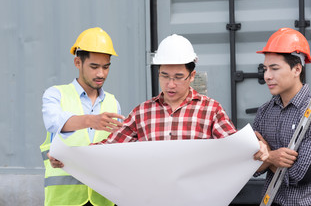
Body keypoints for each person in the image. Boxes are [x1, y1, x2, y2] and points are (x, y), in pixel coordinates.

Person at [49, 33, 268, 165]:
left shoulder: (210, 110)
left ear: (192, 76)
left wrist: (256, 148)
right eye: (164, 76)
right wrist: (69, 158)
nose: (170, 84)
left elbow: (234, 147)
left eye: (178, 77)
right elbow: (107, 149)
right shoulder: (142, 113)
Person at [40, 27, 124, 206]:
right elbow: (54, 123)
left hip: (103, 199)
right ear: (78, 62)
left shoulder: (113, 102)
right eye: (94, 67)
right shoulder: (55, 95)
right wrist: (91, 120)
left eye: (106, 67)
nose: (101, 73)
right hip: (64, 200)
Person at [253, 28, 311, 206]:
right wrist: (272, 156)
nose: (267, 76)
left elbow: (301, 176)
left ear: (297, 69)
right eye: (265, 69)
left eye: (274, 69)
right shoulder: (265, 111)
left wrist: (266, 156)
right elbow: (249, 166)